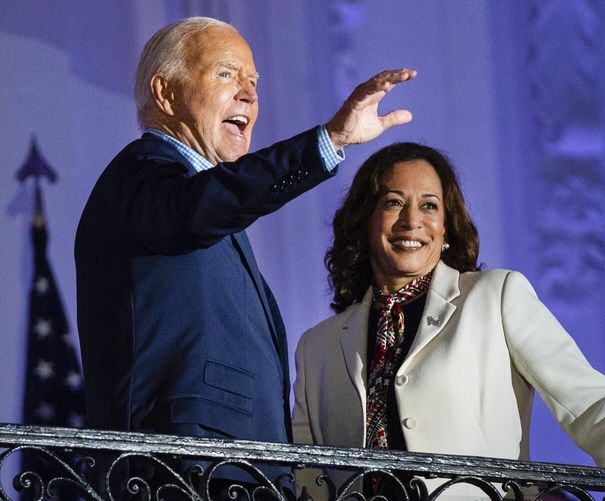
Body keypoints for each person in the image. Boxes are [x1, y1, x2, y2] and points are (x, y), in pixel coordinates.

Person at [74, 16, 415, 490]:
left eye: (254, 81)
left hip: (241, 471)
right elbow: (208, 204)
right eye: (226, 74)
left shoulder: (197, 199)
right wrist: (330, 140)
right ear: (166, 92)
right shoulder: (142, 176)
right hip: (182, 472)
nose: (250, 95)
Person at [291, 142, 605, 499]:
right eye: (393, 202)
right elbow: (305, 478)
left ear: (446, 228)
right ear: (364, 222)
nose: (412, 220)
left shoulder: (496, 297)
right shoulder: (316, 347)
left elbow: (594, 407)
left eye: (429, 206)